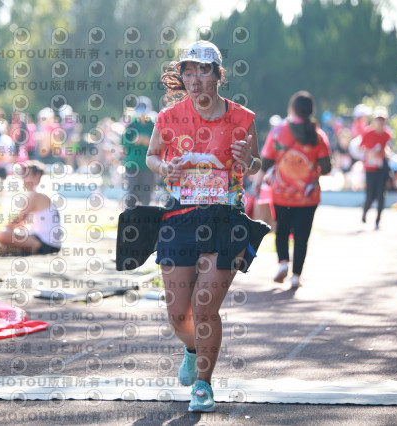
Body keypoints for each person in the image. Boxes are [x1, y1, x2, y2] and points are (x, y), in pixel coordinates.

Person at [145, 40, 269, 413]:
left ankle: (203, 384)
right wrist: (164, 167)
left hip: (225, 217)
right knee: (177, 313)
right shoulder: (169, 117)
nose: (195, 78)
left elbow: (256, 164)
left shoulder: (242, 118)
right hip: (180, 216)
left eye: (203, 70)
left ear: (218, 75)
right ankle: (191, 347)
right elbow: (152, 155)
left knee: (204, 305)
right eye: (188, 71)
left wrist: (248, 161)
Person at [261, 91, 332, 289]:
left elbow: (265, 162)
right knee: (302, 236)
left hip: (281, 194)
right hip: (308, 196)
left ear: (292, 109)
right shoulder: (318, 135)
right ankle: (296, 276)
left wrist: (258, 182)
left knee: (281, 230)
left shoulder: (278, 131)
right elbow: (326, 167)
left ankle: (283, 263)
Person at [0, 160, 62, 255]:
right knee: (17, 231)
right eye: (23, 176)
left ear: (37, 175)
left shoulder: (36, 195)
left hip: (45, 244)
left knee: (2, 234)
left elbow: (17, 220)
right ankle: (14, 248)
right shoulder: (45, 191)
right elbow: (22, 223)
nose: (23, 179)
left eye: (26, 175)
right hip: (49, 242)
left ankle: (14, 248)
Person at [359, 106, 392, 229]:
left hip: (381, 169)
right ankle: (365, 212)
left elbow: (387, 148)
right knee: (370, 195)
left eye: (382, 119)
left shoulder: (387, 134)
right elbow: (360, 148)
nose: (380, 121)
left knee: (381, 195)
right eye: (378, 119)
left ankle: (378, 220)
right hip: (370, 168)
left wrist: (387, 153)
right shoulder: (368, 133)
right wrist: (370, 152)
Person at [122, 96, 156, 208]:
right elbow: (123, 141)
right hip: (133, 164)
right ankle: (130, 213)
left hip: (148, 165)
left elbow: (160, 142)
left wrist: (148, 141)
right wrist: (135, 140)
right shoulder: (132, 125)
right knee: (132, 191)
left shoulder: (153, 126)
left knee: (146, 191)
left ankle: (145, 215)